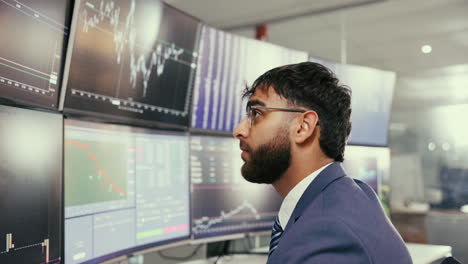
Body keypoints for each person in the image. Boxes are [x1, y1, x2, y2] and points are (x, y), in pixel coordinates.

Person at [232, 62, 412, 263]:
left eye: (256, 114)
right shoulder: (352, 194)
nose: (239, 130)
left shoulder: (326, 233)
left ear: (303, 127)